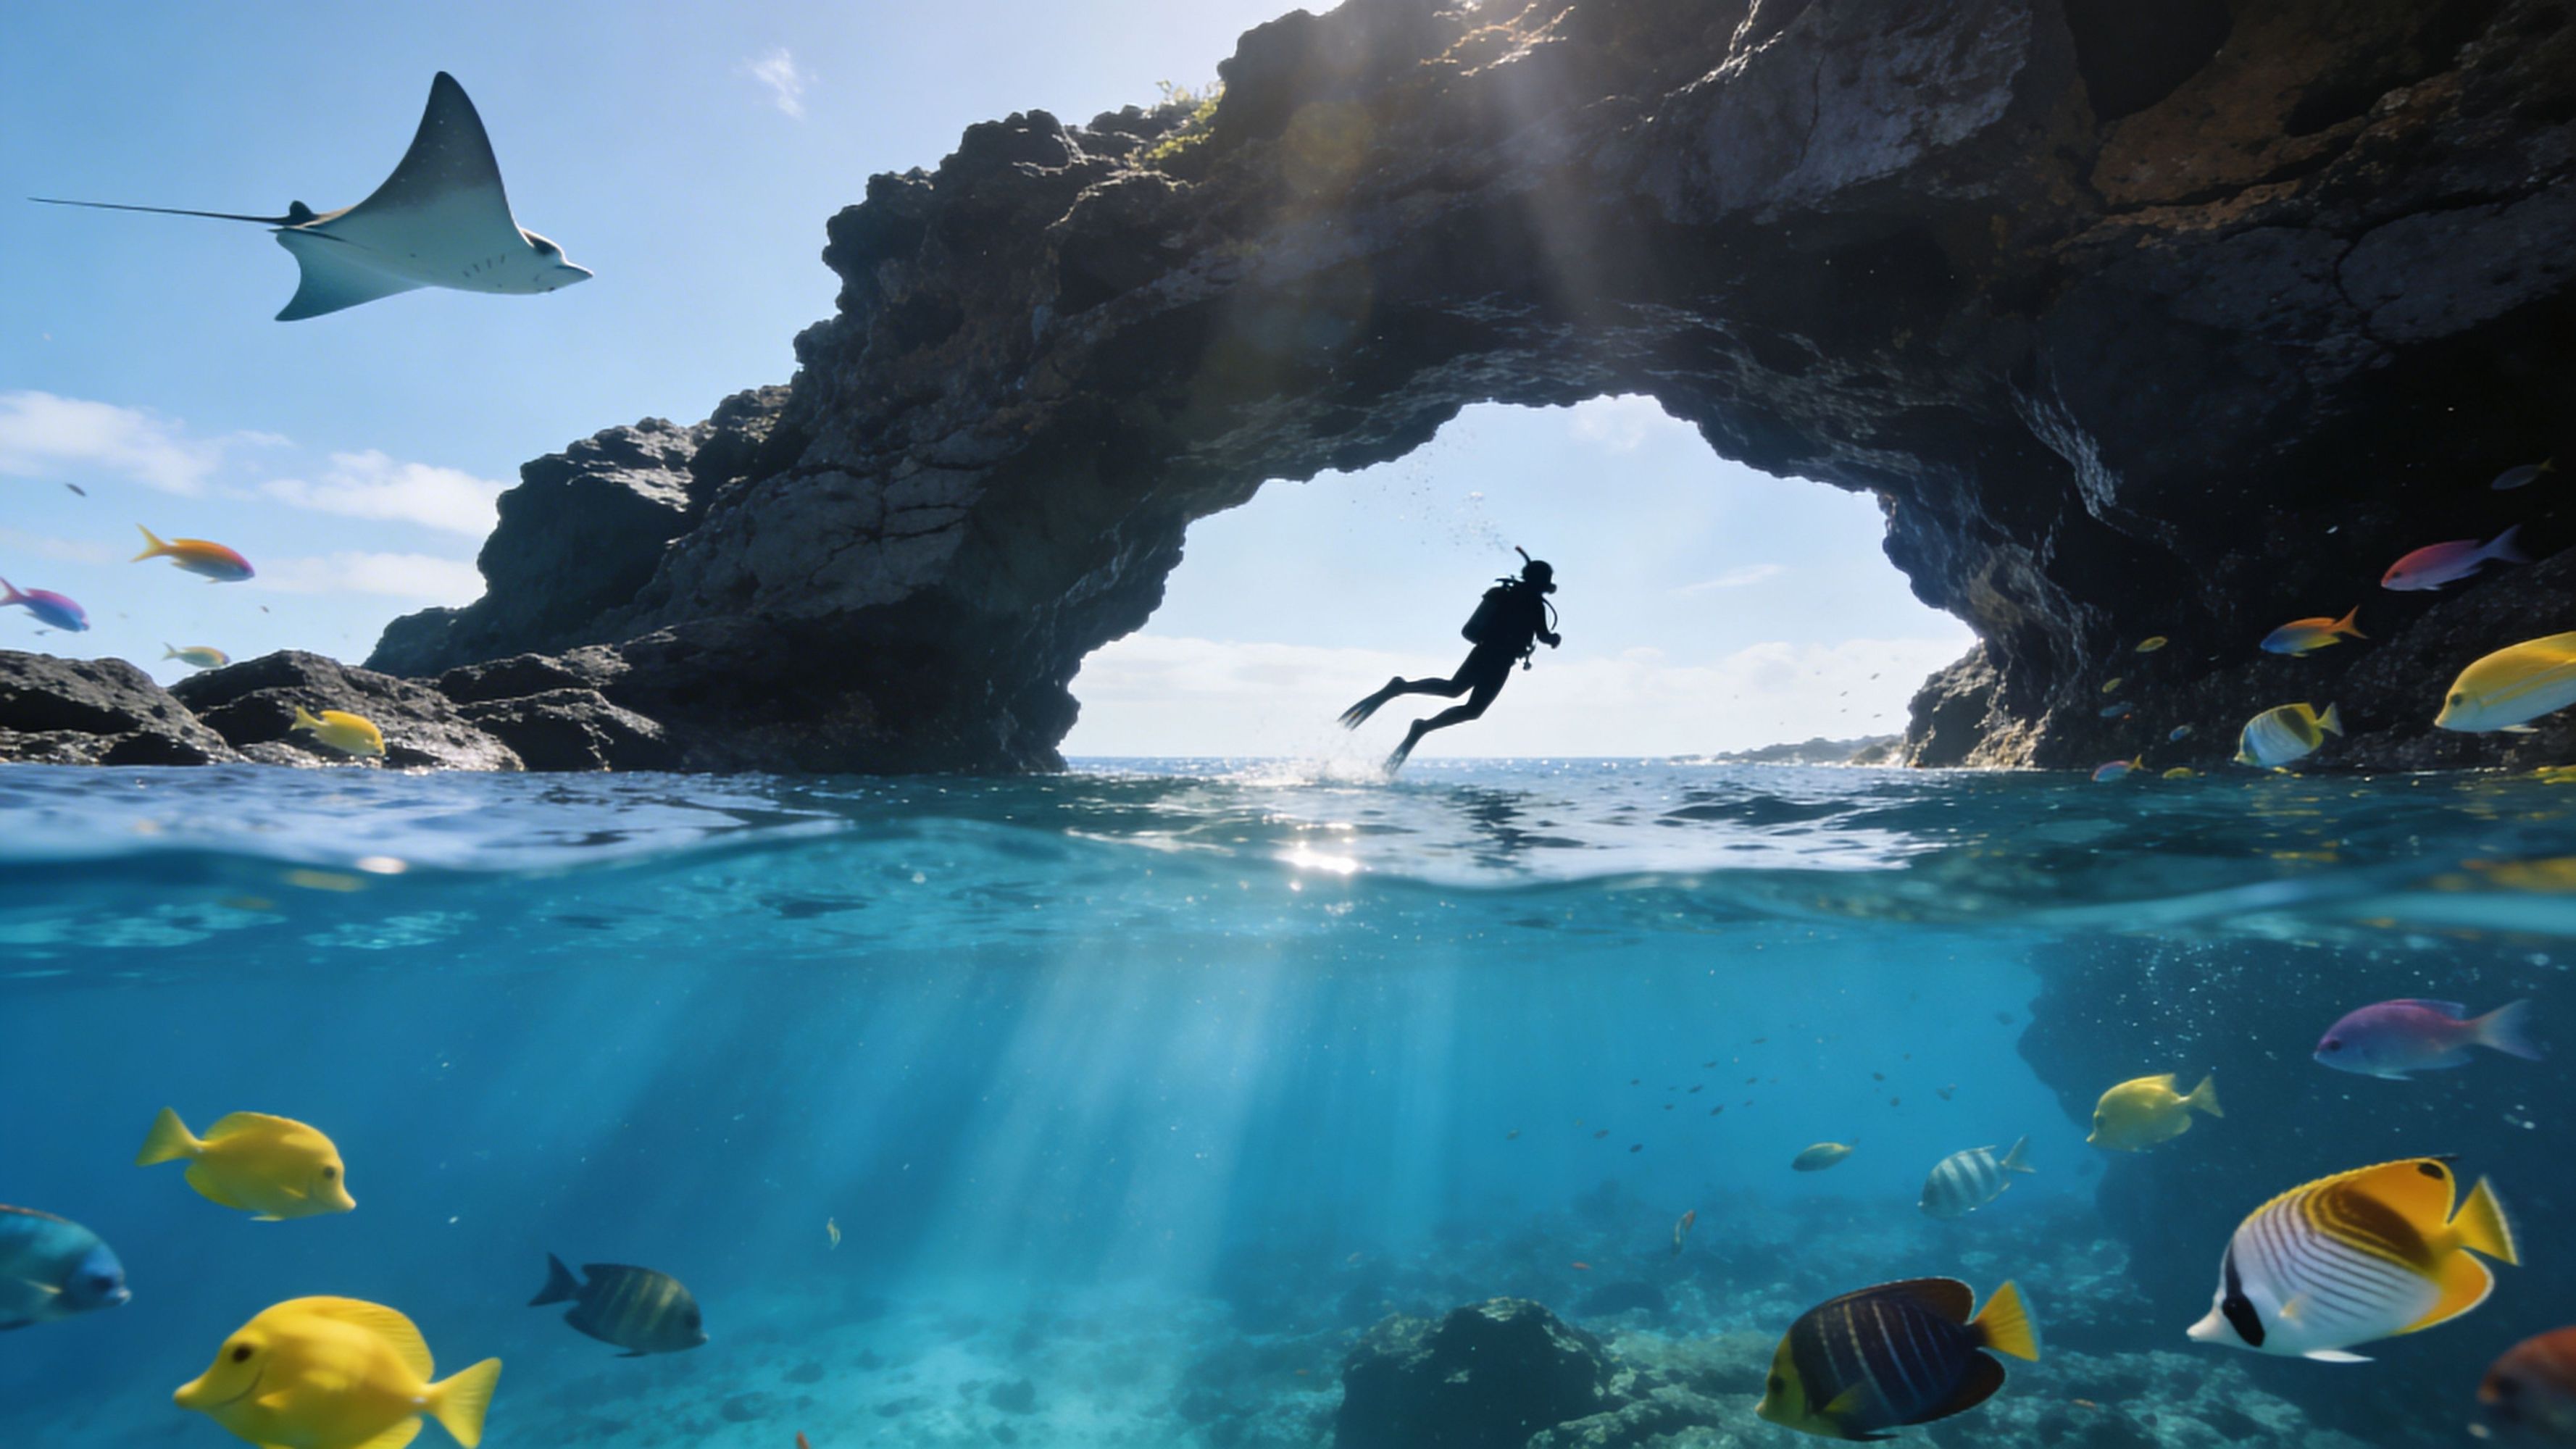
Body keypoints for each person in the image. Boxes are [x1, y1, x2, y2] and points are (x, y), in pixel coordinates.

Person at [1339, 548, 1561, 771]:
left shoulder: (1512, 597)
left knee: (1463, 700)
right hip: (1493, 656)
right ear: (1542, 582)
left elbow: (1486, 630)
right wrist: (1554, 639)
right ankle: (1403, 692)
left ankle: (1419, 722)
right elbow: (1542, 635)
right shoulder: (1528, 603)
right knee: (1460, 697)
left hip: (1496, 657)